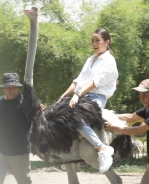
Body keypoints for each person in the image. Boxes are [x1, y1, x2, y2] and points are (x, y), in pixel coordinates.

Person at [58, 28, 118, 172]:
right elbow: (77, 81)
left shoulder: (109, 60)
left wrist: (77, 95)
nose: (94, 43)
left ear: (107, 42)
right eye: (93, 41)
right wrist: (63, 96)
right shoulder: (90, 59)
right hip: (82, 96)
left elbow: (95, 82)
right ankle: (69, 154)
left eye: (98, 40)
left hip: (96, 97)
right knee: (57, 114)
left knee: (77, 118)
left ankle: (102, 148)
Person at [0, 73, 33, 184]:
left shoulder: (25, 102)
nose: (11, 90)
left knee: (24, 182)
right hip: (2, 150)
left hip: (19, 152)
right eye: (8, 87)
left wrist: (39, 108)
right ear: (3, 88)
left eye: (14, 87)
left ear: (18, 87)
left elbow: (37, 116)